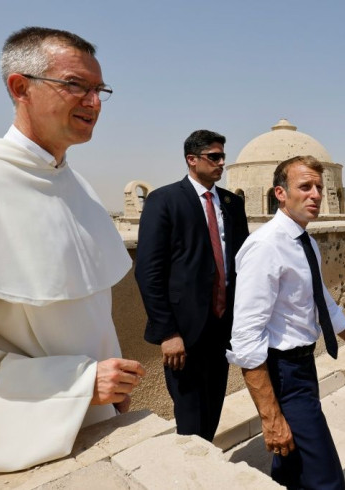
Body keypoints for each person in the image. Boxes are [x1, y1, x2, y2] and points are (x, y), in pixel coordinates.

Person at [0, 27, 145, 472]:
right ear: (19, 87)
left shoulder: (80, 187)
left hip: (99, 418)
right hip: (21, 431)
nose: (93, 102)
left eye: (99, 89)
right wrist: (78, 385)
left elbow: (88, 307)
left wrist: (108, 382)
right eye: (75, 85)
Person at [227, 156, 345, 489]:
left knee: (291, 468)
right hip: (282, 373)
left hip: (302, 366)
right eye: (305, 187)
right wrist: (270, 418)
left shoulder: (305, 241)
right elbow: (245, 338)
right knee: (326, 479)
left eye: (319, 187)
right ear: (280, 193)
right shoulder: (265, 246)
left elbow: (322, 302)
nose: (316, 194)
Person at [135, 130, 248, 441]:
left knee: (213, 405)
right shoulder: (165, 200)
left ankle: (206, 461)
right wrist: (168, 332)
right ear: (192, 159)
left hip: (223, 327)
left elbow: (243, 263)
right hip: (184, 333)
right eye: (214, 157)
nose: (221, 163)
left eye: (223, 156)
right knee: (188, 412)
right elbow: (148, 272)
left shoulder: (231, 203)